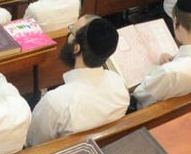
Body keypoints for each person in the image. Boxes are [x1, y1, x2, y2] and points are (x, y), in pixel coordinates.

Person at [27, 15, 127, 146]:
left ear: (76, 48)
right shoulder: (119, 84)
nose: (69, 34)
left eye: (71, 31)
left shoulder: (55, 101)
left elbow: (33, 144)